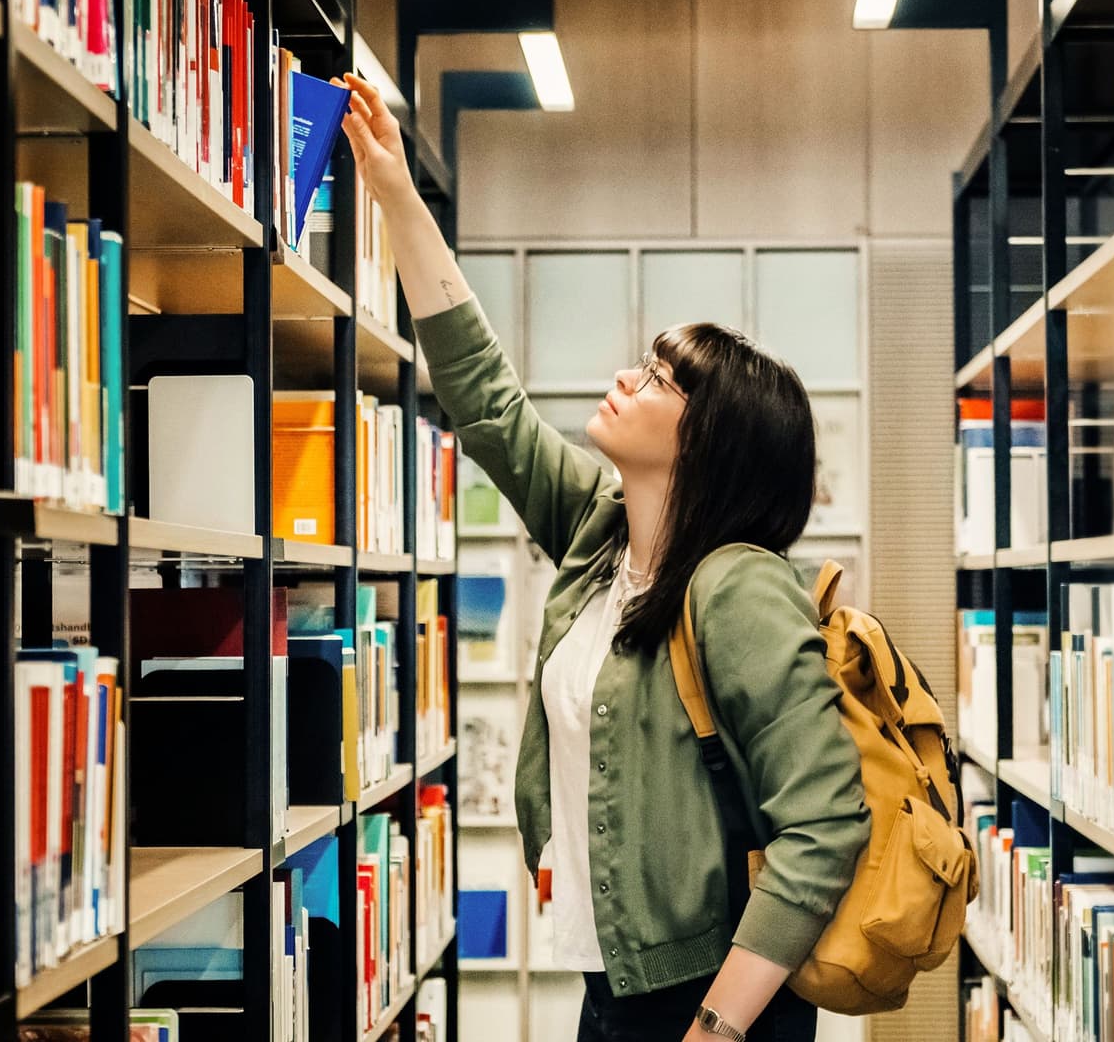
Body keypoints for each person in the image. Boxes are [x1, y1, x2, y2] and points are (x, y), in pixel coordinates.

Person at [339, 74, 870, 1042]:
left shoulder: (738, 586)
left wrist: (716, 1028)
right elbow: (484, 399)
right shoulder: (599, 533)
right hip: (612, 979)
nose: (627, 377)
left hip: (709, 999)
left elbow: (827, 823)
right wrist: (395, 197)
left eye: (661, 377)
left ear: (712, 439)